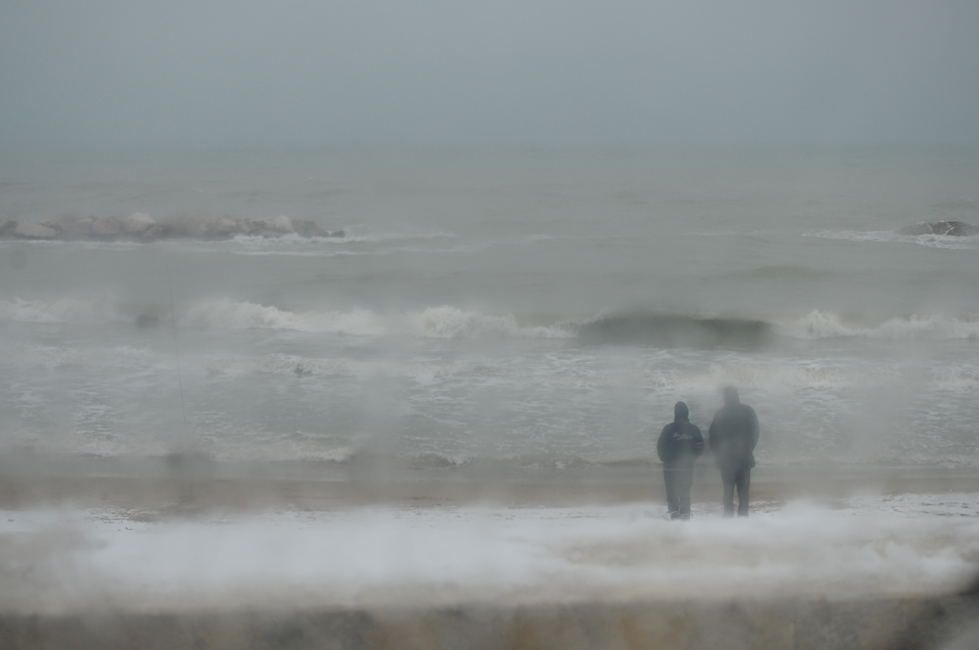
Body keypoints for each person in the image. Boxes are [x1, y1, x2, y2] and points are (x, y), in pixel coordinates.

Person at [708, 387, 759, 517]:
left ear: (725, 398)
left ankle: (728, 520)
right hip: (745, 458)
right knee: (743, 494)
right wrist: (748, 449)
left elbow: (713, 437)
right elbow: (755, 433)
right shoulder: (748, 411)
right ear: (737, 396)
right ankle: (743, 520)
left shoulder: (720, 413)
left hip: (726, 461)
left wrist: (718, 455)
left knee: (728, 493)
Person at [656, 401, 704, 520]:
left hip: (670, 467)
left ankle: (674, 513)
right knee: (685, 489)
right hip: (687, 467)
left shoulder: (668, 429)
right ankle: (685, 513)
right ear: (687, 414)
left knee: (671, 490)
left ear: (675, 413)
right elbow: (700, 447)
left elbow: (660, 446)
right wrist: (692, 459)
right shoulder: (694, 429)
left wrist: (664, 458)